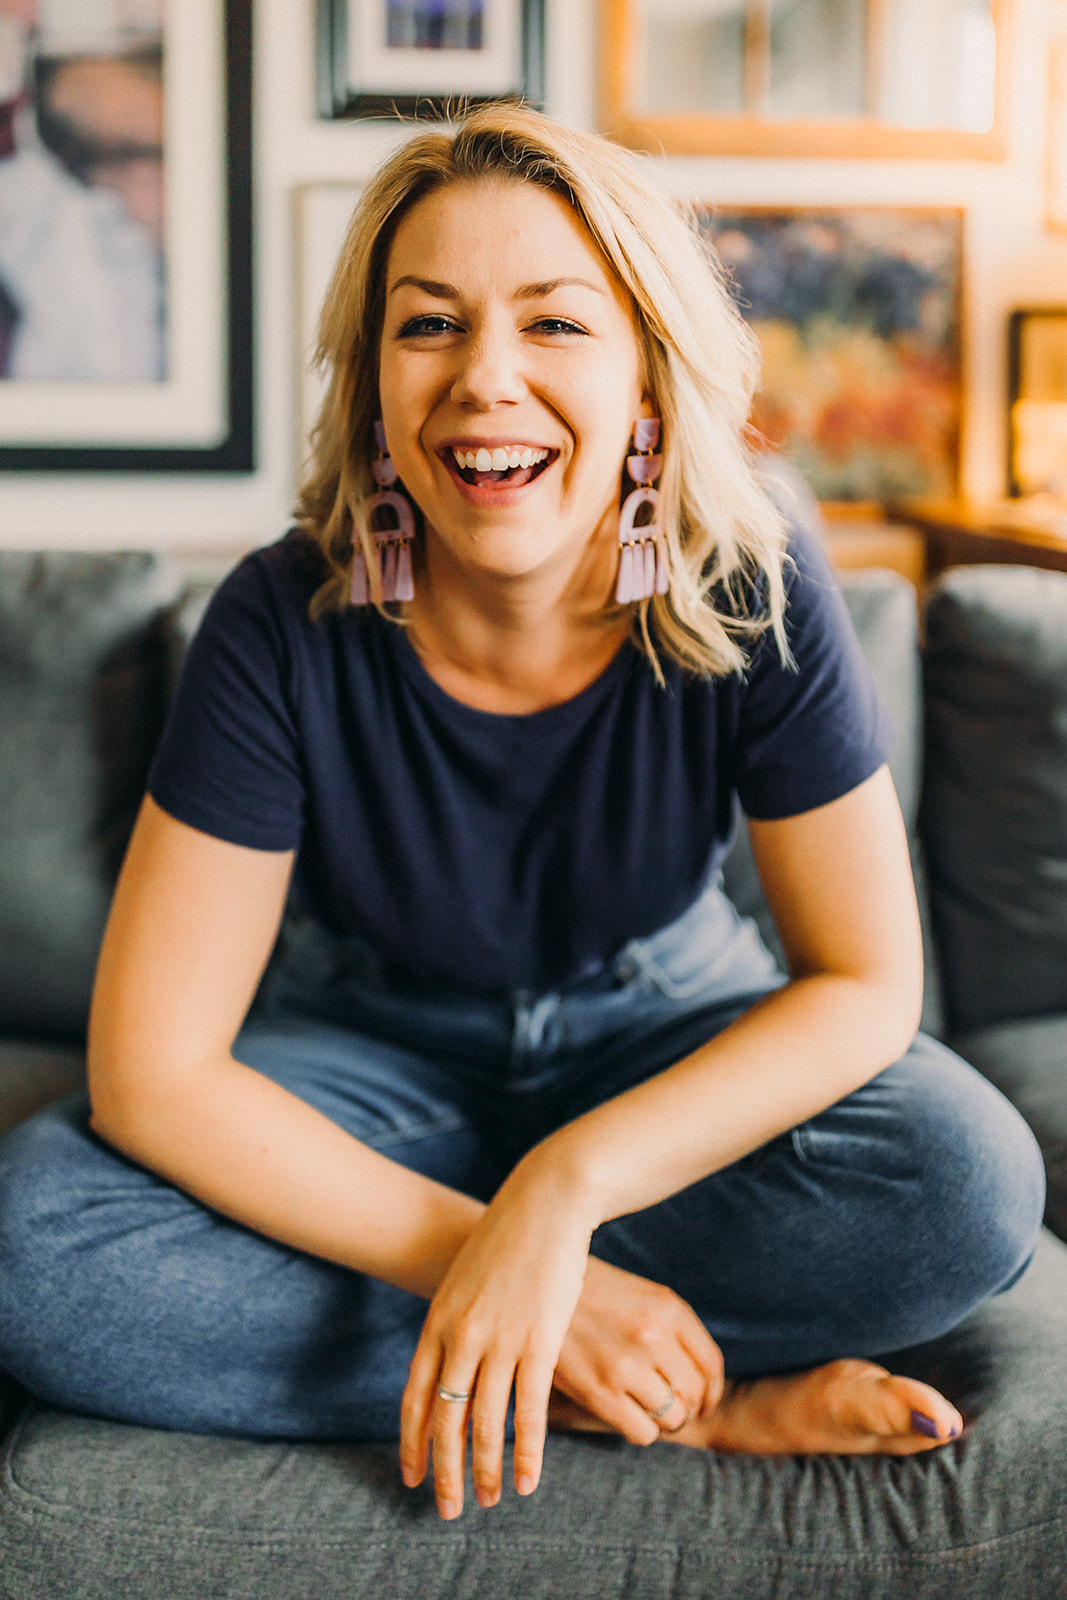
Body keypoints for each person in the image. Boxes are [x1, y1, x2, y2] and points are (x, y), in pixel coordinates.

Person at [0, 104, 1045, 1522]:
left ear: (648, 374)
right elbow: (155, 1074)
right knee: (36, 1250)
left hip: (662, 1026)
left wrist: (564, 1193)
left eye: (554, 323)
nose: (485, 378)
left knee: (966, 1183)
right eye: (429, 326)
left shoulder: (753, 576)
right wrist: (508, 1268)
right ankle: (672, 1395)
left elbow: (867, 986)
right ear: (374, 384)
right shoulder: (278, 619)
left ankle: (538, 1326)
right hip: (371, 1047)